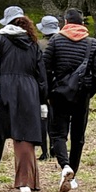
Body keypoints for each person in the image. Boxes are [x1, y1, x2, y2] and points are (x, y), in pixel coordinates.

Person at [0, 7, 47, 192]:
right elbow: (41, 74)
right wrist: (42, 100)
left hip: (2, 87)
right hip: (28, 90)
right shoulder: (33, 42)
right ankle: (26, 183)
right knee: (24, 135)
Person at [44, 8, 96, 192]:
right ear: (83, 24)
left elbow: (45, 67)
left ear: (65, 22)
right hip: (82, 96)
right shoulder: (92, 44)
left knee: (58, 134)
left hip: (59, 94)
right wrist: (89, 91)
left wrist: (49, 91)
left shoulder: (55, 41)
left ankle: (65, 166)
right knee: (78, 137)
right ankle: (73, 177)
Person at [35, 14, 60, 160]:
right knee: (56, 118)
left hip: (42, 86)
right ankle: (55, 148)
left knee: (43, 118)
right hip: (60, 86)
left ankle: (44, 151)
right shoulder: (63, 42)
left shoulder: (38, 44)